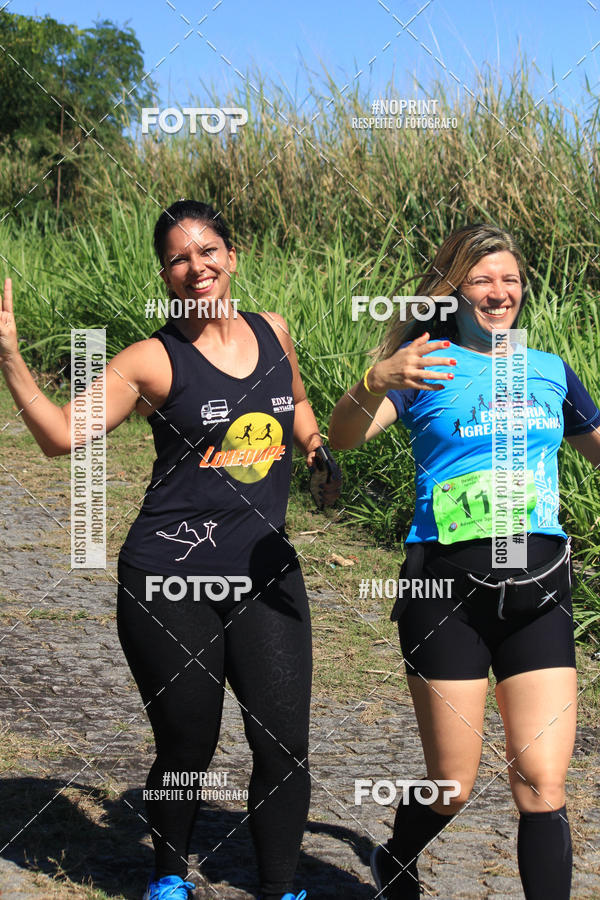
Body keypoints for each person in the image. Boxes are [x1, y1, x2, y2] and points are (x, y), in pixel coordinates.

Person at [0, 200, 340, 900]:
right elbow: (60, 435)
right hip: (168, 577)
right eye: (181, 258)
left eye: (208, 251)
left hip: (264, 570)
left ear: (231, 256)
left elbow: (297, 400)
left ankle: (281, 887)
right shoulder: (151, 360)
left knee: (283, 742)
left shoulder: (273, 330)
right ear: (166, 273)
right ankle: (166, 873)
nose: (198, 267)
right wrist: (9, 357)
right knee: (189, 744)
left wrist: (314, 448)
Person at [328, 223, 600, 899]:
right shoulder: (427, 365)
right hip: (445, 593)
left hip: (537, 588)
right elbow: (344, 437)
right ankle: (395, 857)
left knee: (542, 783)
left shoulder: (550, 371)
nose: (498, 292)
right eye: (481, 279)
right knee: (453, 782)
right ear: (454, 292)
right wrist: (375, 378)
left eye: (509, 278)